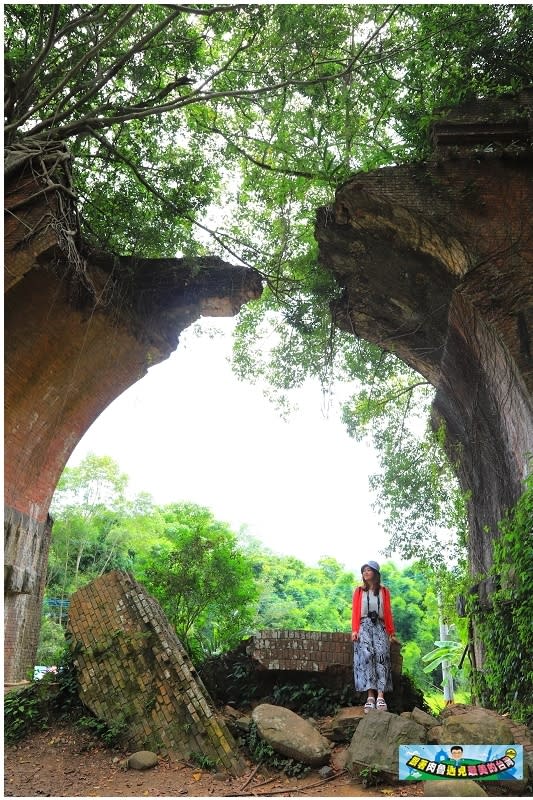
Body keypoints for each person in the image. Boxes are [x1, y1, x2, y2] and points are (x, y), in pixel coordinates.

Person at [351, 560, 397, 712]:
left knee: (382, 656)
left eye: (368, 570)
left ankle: (381, 696)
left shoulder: (384, 591)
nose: (365, 572)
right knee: (367, 656)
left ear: (376, 573)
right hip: (364, 626)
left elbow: (388, 612)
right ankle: (370, 695)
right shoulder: (359, 591)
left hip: (380, 626)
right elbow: (356, 612)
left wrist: (391, 632)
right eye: (363, 570)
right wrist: (355, 630)